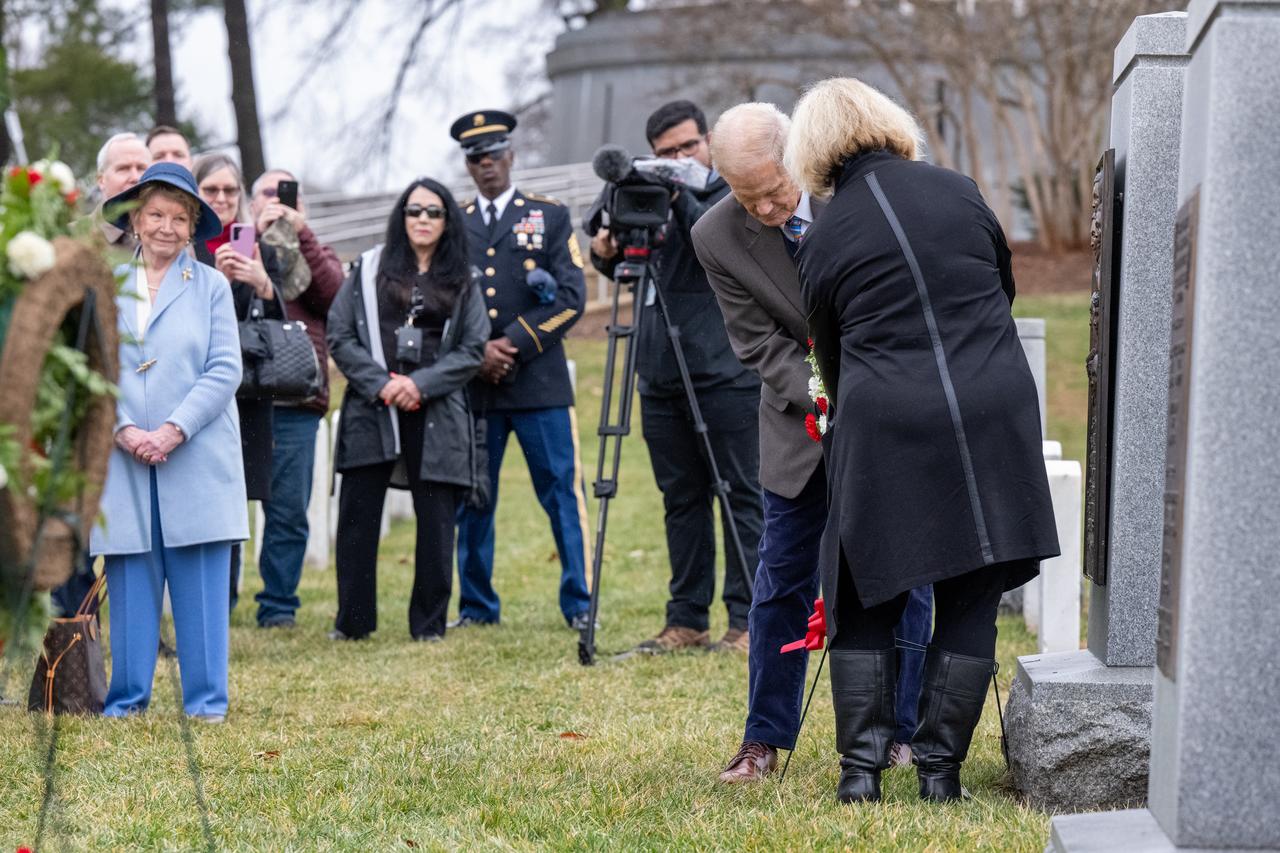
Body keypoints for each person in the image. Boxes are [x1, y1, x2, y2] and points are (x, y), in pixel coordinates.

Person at [786, 78, 1059, 803]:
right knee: (971, 588)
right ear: (889, 123)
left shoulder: (825, 236)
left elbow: (828, 346)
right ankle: (940, 771)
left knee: (864, 586)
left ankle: (861, 773)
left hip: (884, 413)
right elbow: (1002, 291)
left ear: (810, 150)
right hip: (990, 404)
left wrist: (851, 407)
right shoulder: (961, 191)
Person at [690, 102, 934, 783]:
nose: (767, 208)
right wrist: (828, 394)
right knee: (779, 582)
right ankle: (763, 739)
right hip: (800, 425)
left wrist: (874, 392)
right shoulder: (715, 236)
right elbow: (757, 344)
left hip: (889, 413)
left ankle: (900, 732)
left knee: (906, 575)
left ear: (796, 156)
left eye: (774, 190)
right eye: (748, 197)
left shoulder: (855, 197)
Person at [590, 100, 763, 653]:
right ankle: (687, 618)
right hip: (659, 368)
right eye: (665, 153)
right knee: (680, 497)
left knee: (741, 493)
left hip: (725, 367)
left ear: (708, 141)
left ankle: (747, 618)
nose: (677, 158)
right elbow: (611, 241)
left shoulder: (730, 193)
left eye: (687, 147)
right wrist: (604, 242)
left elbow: (716, 244)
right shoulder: (643, 183)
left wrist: (678, 193)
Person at [90, 162, 248, 721]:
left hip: (196, 451)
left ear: (192, 227)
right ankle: (127, 700)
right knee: (131, 573)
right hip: (124, 453)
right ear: (134, 219)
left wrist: (173, 429)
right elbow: (93, 367)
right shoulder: (106, 285)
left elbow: (225, 369)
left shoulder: (210, 285)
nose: (166, 227)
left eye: (179, 218)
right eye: (155, 214)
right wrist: (125, 429)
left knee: (201, 576)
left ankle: (206, 703)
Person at [448, 110, 593, 630]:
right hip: (476, 384)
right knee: (475, 499)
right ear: (467, 165)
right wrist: (477, 350)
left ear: (511, 155)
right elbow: (445, 296)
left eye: (494, 154)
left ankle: (580, 603)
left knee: (561, 494)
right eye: (476, 158)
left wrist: (509, 342)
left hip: (538, 383)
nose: (486, 165)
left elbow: (572, 296)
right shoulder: (453, 220)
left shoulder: (548, 215)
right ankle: (477, 606)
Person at [326, 177, 489, 641]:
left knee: (437, 523)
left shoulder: (464, 276)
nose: (423, 219)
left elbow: (473, 347)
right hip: (371, 406)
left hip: (437, 410)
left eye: (434, 212)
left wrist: (419, 384)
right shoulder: (369, 267)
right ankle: (353, 623)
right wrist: (382, 384)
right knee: (357, 518)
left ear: (447, 221)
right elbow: (341, 334)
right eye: (414, 211)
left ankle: (429, 625)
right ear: (402, 216)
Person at [247, 169, 345, 629]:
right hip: (238, 394)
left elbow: (335, 298)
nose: (278, 201)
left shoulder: (316, 249)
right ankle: (221, 596)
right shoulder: (237, 241)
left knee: (288, 508)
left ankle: (278, 605)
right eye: (268, 192)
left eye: (288, 195)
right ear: (251, 203)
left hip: (296, 395)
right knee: (224, 506)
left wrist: (300, 233)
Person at [193, 152, 284, 608]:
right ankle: (194, 598)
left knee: (232, 496)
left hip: (246, 393)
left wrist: (263, 285)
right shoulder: (186, 245)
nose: (222, 199)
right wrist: (219, 284)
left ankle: (223, 601)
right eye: (211, 190)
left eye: (230, 191)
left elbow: (277, 327)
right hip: (191, 388)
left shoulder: (258, 247)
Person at [94, 132, 150, 248]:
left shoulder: (170, 238)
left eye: (141, 168)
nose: (135, 178)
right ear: (101, 180)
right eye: (123, 168)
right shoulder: (75, 236)